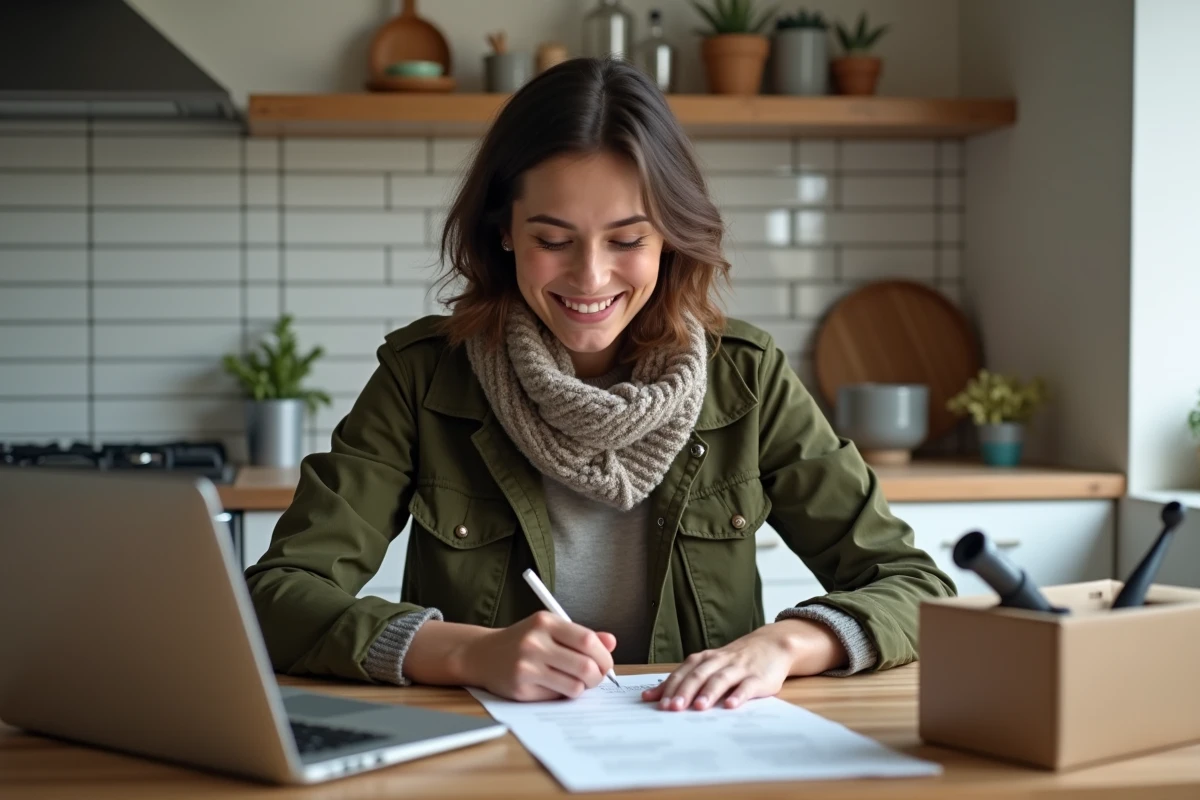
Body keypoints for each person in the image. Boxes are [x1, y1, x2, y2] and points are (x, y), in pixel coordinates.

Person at [245, 58, 955, 712]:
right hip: (486, 759)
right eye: (553, 240)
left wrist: (787, 644)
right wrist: (466, 652)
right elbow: (277, 597)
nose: (590, 277)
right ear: (504, 231)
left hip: (698, 756)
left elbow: (915, 587)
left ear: (670, 237)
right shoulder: (423, 375)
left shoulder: (747, 376)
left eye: (627, 240)